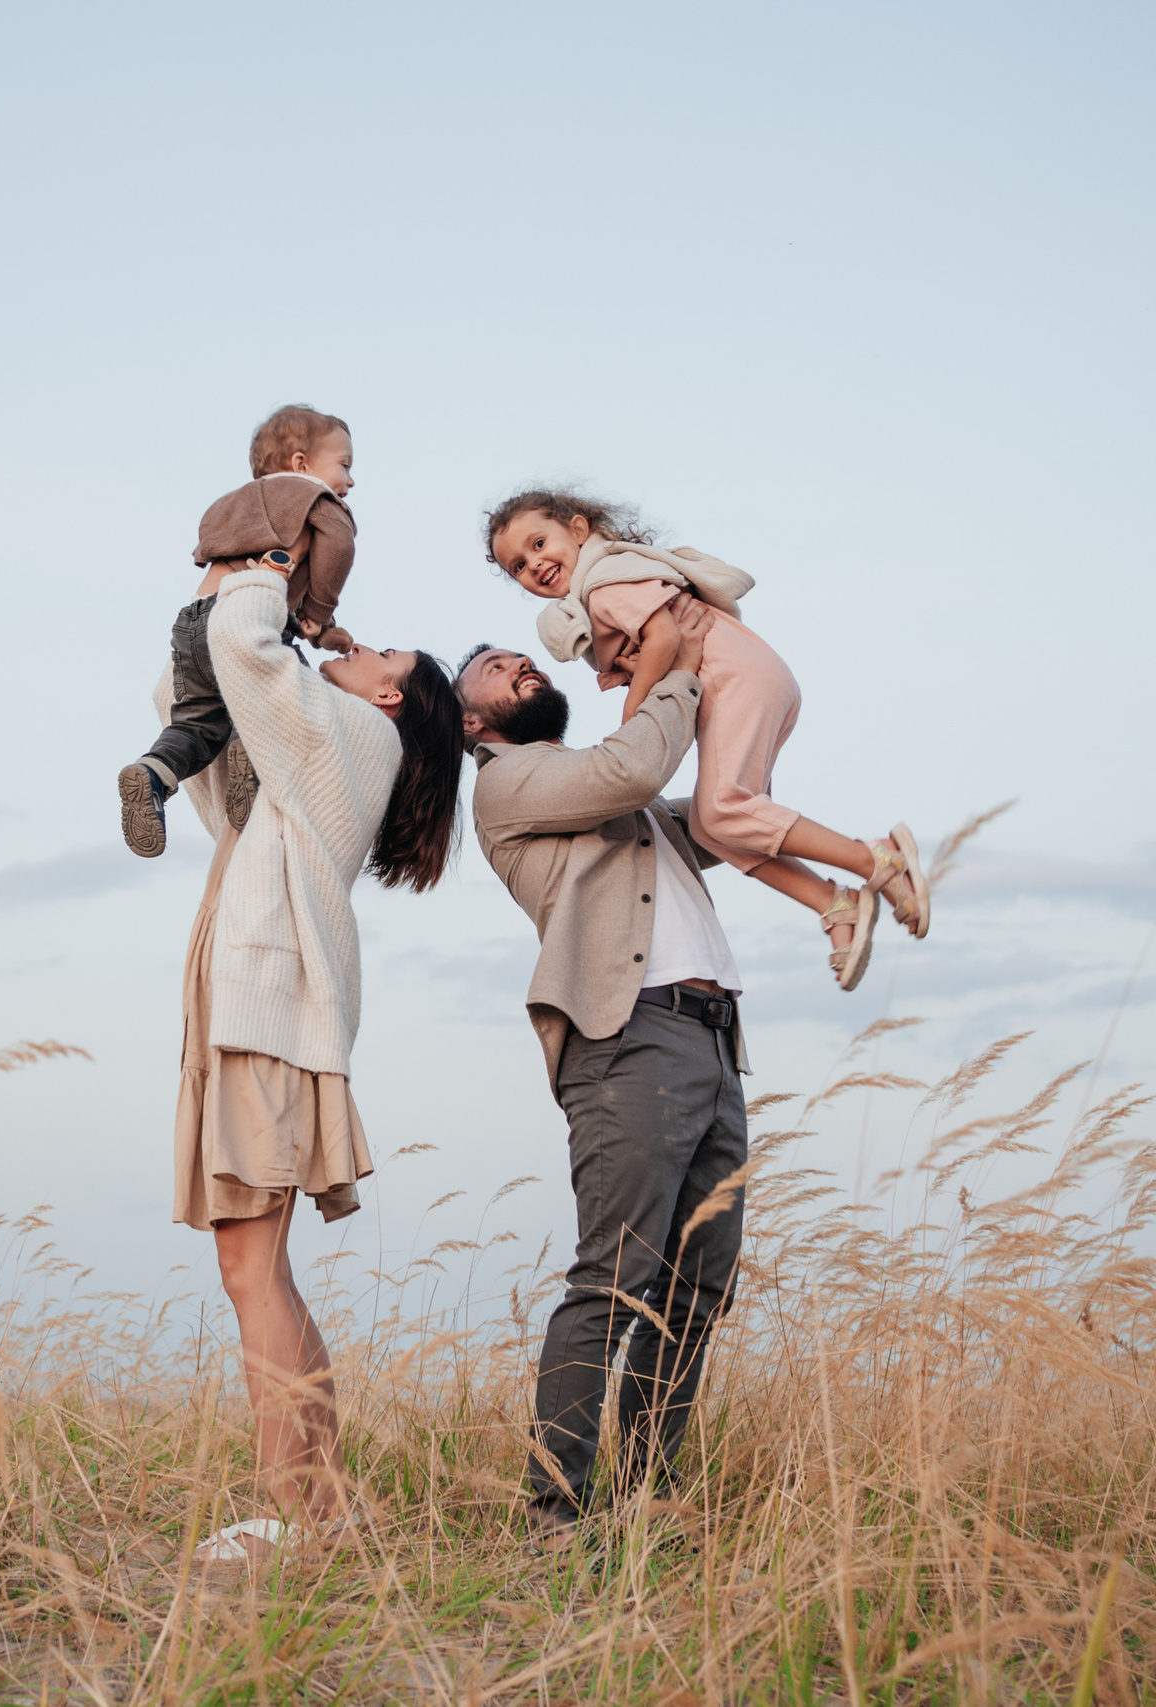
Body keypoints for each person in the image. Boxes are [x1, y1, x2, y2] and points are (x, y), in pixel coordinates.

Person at [163, 554, 465, 1565]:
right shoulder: (308, 755)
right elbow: (202, 700)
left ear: (390, 695)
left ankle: (290, 1516)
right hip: (260, 1015)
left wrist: (259, 571)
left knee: (249, 1266)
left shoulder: (358, 735)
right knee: (260, 1267)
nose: (358, 644)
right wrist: (219, 603)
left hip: (270, 1019)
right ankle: (321, 1510)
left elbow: (246, 653)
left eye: (380, 652)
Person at [456, 603, 747, 1550]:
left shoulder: (608, 795)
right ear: (473, 722)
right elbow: (634, 762)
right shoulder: (511, 784)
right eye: (499, 670)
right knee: (614, 1282)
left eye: (522, 659)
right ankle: (555, 1520)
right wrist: (668, 666)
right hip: (629, 1039)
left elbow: (718, 817)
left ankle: (645, 1499)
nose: (520, 668)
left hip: (710, 1038)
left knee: (696, 1289)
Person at [487, 488, 930, 991]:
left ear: (580, 530)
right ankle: (833, 901)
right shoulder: (603, 588)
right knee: (713, 828)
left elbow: (667, 638)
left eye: (540, 543)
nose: (535, 564)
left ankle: (877, 859)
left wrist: (633, 722)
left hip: (735, 680)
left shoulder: (605, 583)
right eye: (518, 566)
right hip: (749, 679)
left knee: (725, 807)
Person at [120, 405, 361, 858]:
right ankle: (252, 762)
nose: (350, 482)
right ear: (301, 464)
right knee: (307, 698)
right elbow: (338, 542)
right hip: (250, 612)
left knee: (198, 725)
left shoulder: (235, 503)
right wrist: (319, 615)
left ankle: (153, 774)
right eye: (344, 465)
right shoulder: (315, 498)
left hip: (194, 621)